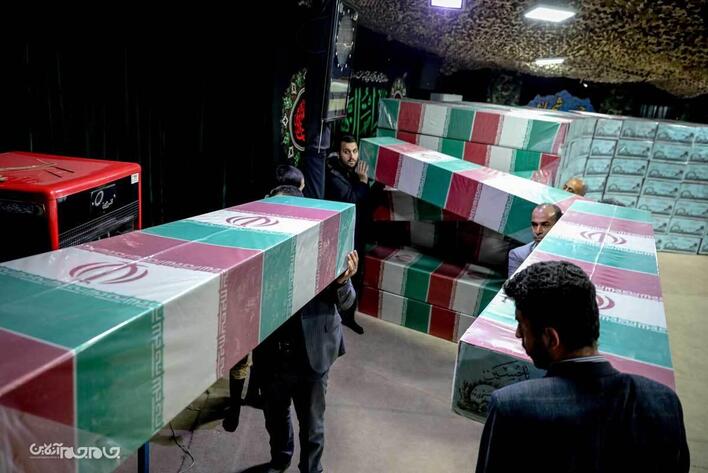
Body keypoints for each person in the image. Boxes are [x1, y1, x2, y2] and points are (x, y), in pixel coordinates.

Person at [476, 260, 690, 472]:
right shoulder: (664, 400)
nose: (517, 334)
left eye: (521, 324)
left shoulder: (511, 407)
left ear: (551, 338)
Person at [255, 184, 358, 473]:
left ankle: (312, 469)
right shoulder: (258, 249)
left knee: (313, 426)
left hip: (313, 352)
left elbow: (348, 303)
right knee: (275, 417)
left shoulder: (326, 247)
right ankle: (280, 459)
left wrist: (342, 281)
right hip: (271, 353)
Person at [324, 134, 372, 334]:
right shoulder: (334, 173)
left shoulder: (350, 170)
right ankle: (339, 317)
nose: (352, 157)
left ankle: (349, 317)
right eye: (346, 152)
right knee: (345, 275)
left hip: (356, 231)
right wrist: (363, 181)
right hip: (342, 235)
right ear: (338, 152)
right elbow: (352, 200)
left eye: (354, 151)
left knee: (357, 274)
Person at [507, 203, 562, 277]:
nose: (538, 231)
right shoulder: (519, 255)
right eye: (534, 225)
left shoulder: (572, 251)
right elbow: (514, 284)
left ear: (559, 225)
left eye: (545, 225)